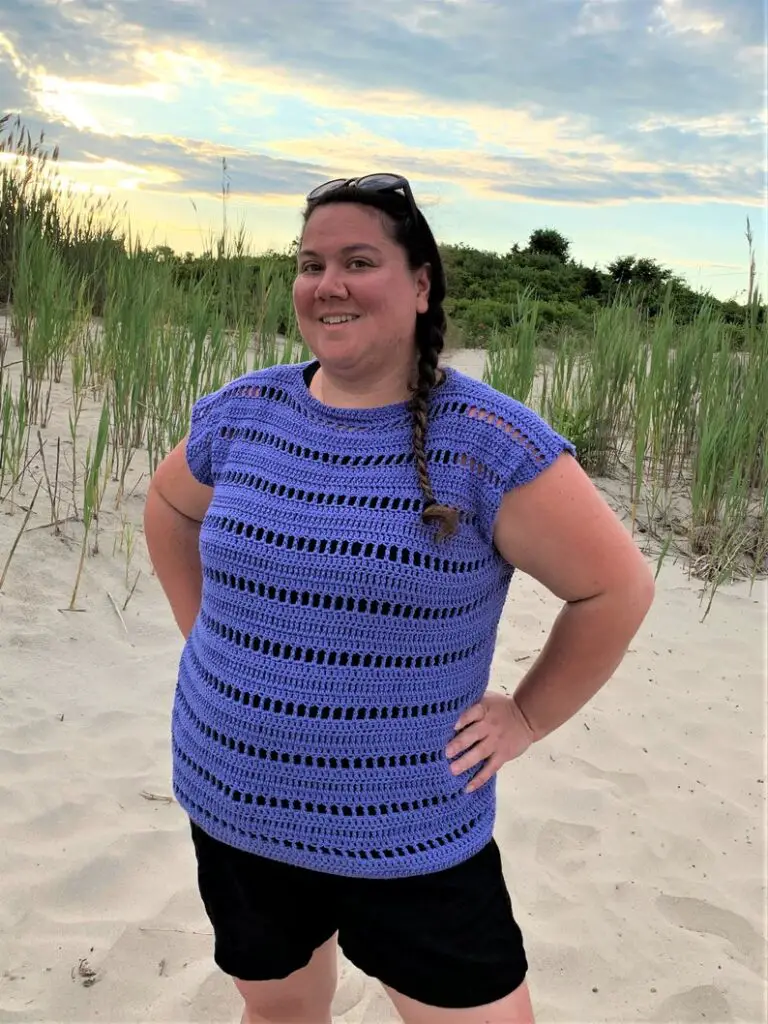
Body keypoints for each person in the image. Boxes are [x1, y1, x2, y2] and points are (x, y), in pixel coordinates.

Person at [144, 173, 655, 1024]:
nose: (327, 284)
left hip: (405, 827)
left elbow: (616, 589)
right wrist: (203, 635)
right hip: (232, 800)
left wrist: (524, 719)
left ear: (420, 286)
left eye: (357, 260)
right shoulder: (245, 410)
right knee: (279, 1008)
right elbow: (168, 507)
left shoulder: (488, 443)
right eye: (311, 264)